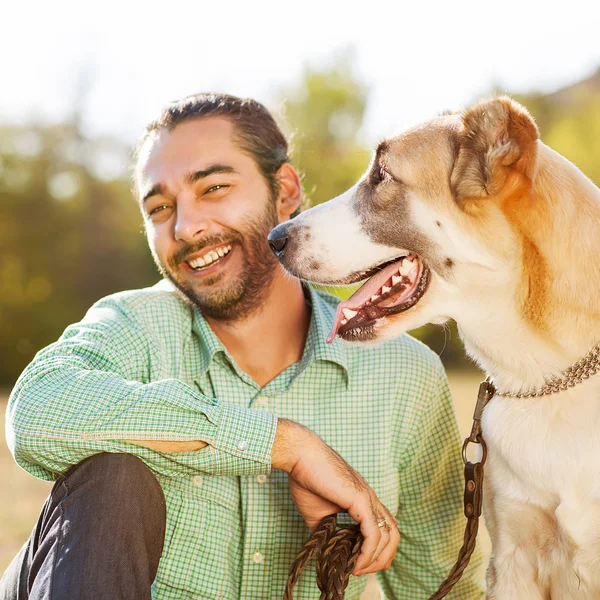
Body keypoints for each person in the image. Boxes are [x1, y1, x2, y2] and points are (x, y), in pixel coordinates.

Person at [1, 93, 484, 600]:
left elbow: (442, 590)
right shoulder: (133, 326)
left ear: (286, 191)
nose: (186, 227)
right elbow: (34, 409)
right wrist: (286, 445)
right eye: (160, 207)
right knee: (114, 480)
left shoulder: (404, 375)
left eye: (213, 188)